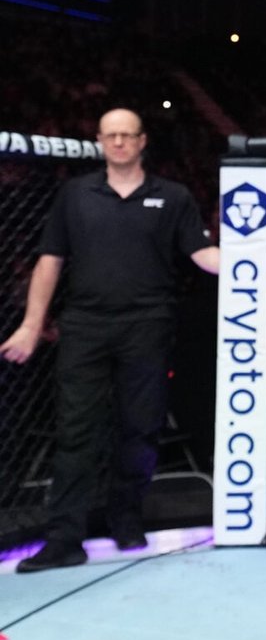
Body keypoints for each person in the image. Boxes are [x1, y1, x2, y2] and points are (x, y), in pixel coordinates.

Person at [1, 108, 220, 572]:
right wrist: (31, 325)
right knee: (76, 430)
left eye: (127, 135)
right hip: (85, 325)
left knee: (140, 426)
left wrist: (252, 254)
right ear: (100, 141)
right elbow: (50, 260)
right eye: (111, 135)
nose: (119, 142)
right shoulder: (76, 194)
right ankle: (64, 538)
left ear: (141, 141)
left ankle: (127, 519)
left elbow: (202, 253)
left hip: (148, 324)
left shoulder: (172, 196)